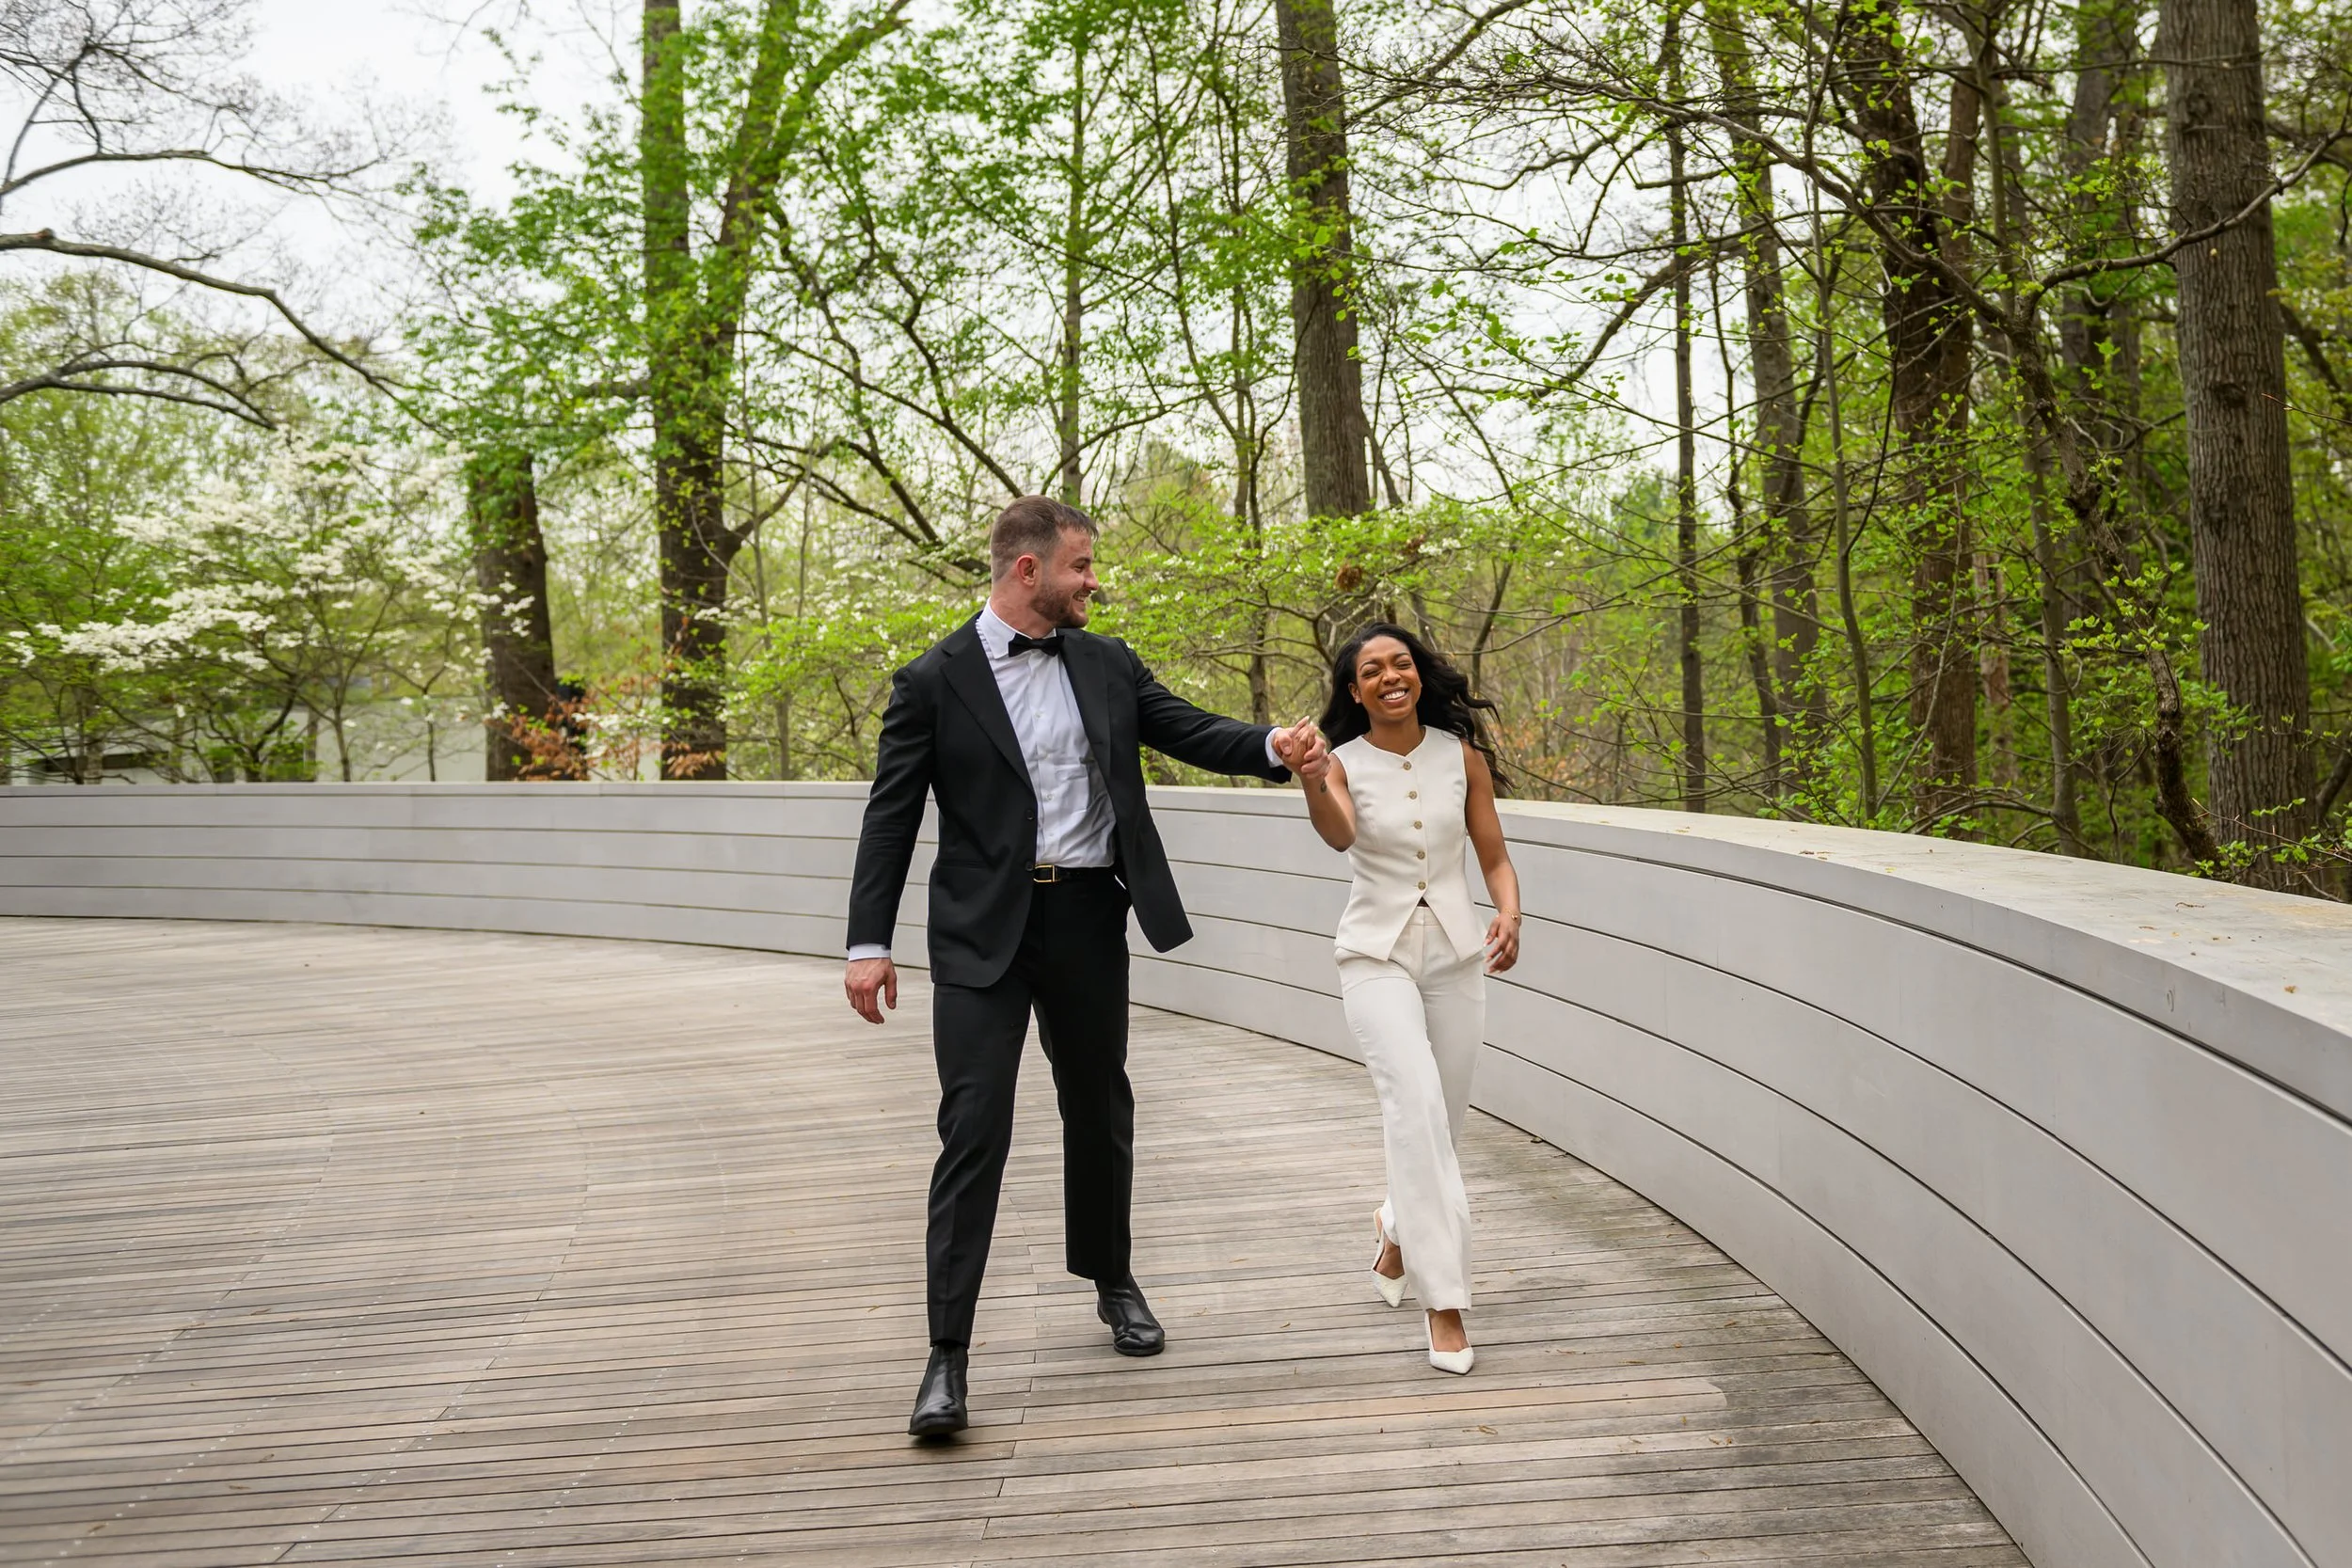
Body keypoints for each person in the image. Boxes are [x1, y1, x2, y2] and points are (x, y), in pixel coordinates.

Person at [843, 495, 1326, 1437]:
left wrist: (1272, 745)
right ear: (1027, 570)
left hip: (1087, 914)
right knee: (973, 1125)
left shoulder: (1104, 662)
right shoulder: (931, 680)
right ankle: (946, 1355)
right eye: (1079, 566)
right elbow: (889, 816)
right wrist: (868, 943)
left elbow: (1187, 727)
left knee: (1098, 1103)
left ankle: (1113, 1278)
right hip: (984, 931)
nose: (1092, 580)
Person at [1289, 623, 1521, 1374]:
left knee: (1443, 1124)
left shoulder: (1463, 758)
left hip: (1457, 955)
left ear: (1419, 673)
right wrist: (1308, 778)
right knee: (1413, 1104)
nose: (1391, 676)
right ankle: (1444, 1302)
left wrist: (1509, 911)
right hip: (1374, 955)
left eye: (1402, 663)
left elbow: (1494, 854)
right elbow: (1337, 834)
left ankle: (1395, 1225)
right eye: (1372, 670)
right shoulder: (1342, 763)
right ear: (1354, 691)